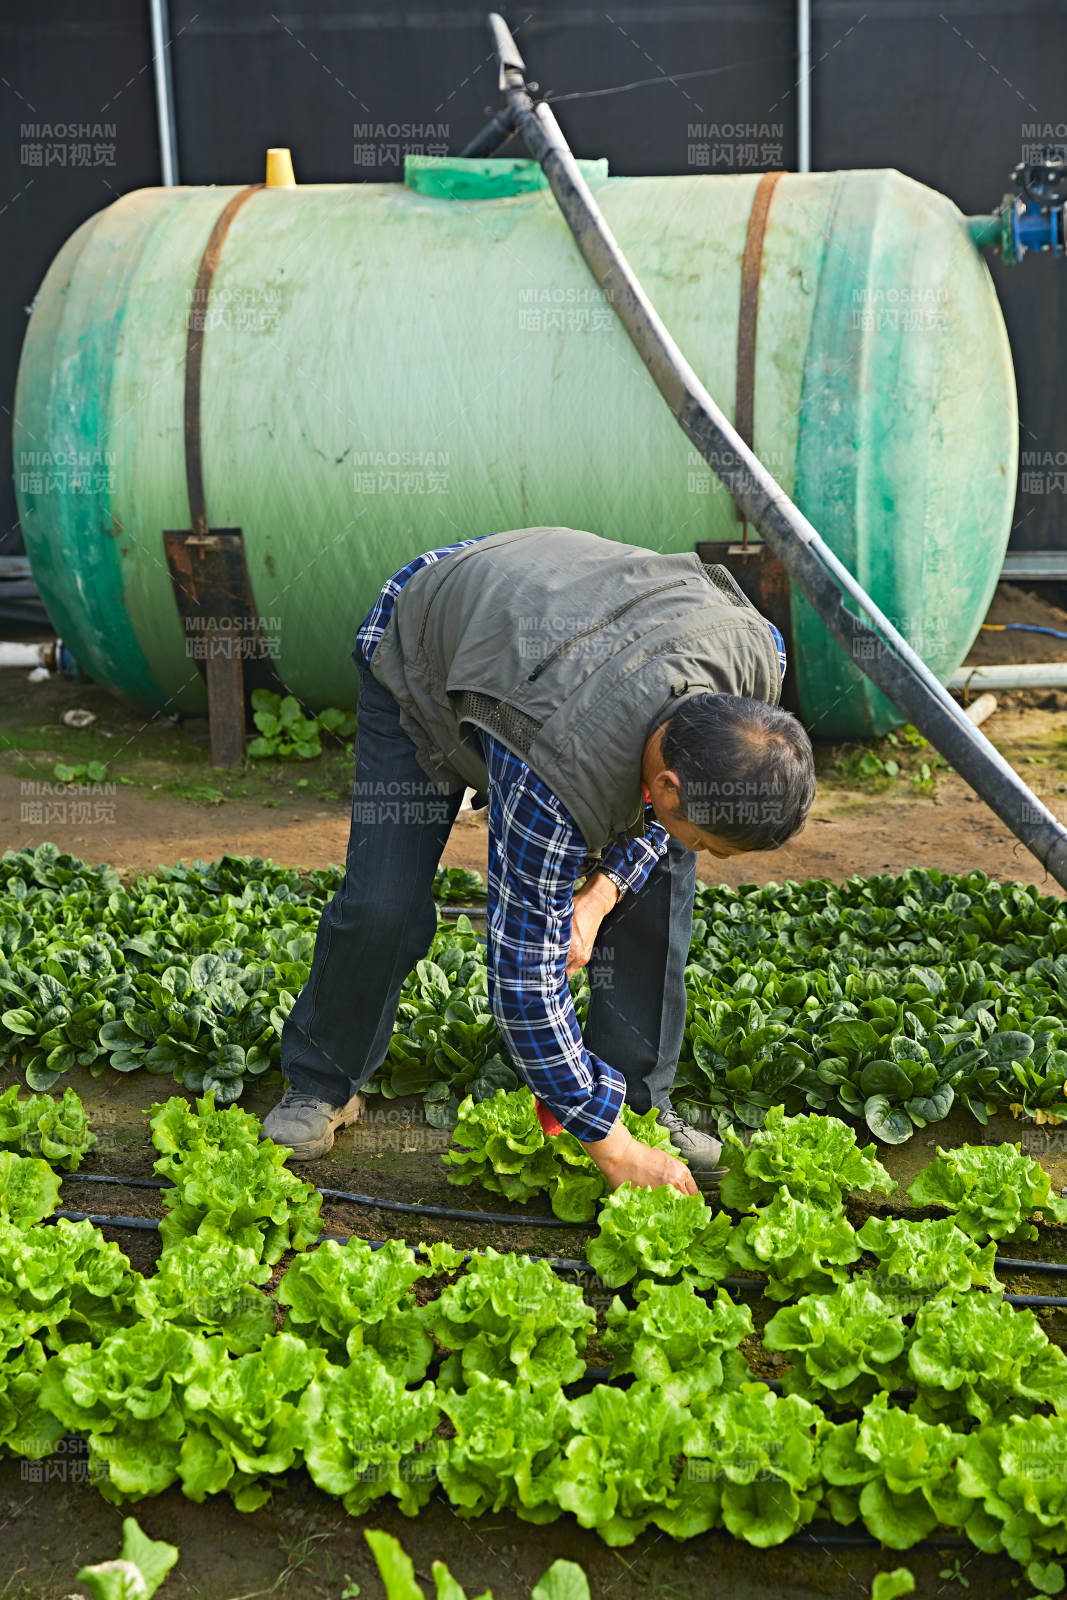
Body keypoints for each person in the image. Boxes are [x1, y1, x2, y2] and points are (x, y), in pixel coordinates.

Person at [261, 526, 815, 1194]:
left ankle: (638, 1100)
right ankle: (323, 1081)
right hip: (431, 646)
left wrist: (600, 895)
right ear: (665, 786)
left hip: (566, 641)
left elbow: (664, 830)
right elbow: (523, 983)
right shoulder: (554, 766)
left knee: (659, 878)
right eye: (709, 839)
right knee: (385, 900)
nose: (705, 851)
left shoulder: (755, 663)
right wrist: (609, 1151)